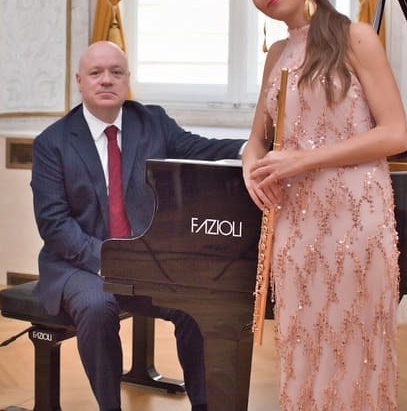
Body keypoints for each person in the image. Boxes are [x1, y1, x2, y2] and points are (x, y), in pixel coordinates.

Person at [237, 0, 407, 410]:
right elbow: (256, 139)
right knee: (302, 347)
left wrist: (301, 160)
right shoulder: (276, 54)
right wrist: (252, 164)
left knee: (357, 346)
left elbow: (396, 134)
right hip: (295, 222)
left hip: (356, 218)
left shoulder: (355, 37)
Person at [30, 40, 246, 411]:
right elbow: (55, 225)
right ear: (80, 81)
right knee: (97, 307)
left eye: (116, 72)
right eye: (96, 73)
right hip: (81, 263)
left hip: (144, 260)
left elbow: (198, 148)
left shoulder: (152, 121)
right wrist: (112, 259)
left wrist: (251, 149)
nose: (106, 80)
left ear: (128, 79)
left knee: (196, 306)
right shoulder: (52, 143)